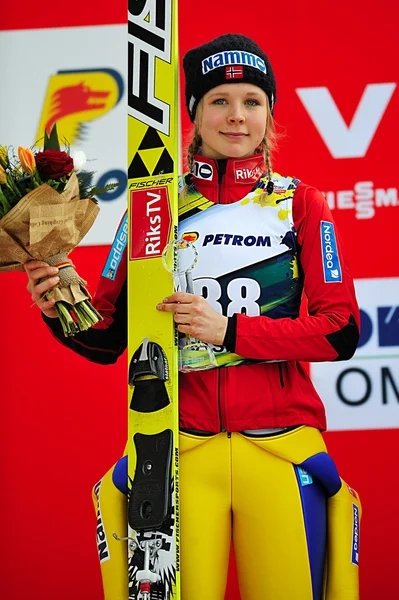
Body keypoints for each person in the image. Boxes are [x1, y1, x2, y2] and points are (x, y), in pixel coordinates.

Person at [25, 34, 362, 600]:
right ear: (193, 115)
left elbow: (342, 331)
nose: (237, 116)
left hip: (278, 451)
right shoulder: (154, 206)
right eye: (219, 101)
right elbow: (109, 340)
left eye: (252, 101)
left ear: (270, 115)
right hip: (178, 452)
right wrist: (61, 305)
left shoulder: (301, 203)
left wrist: (228, 330)